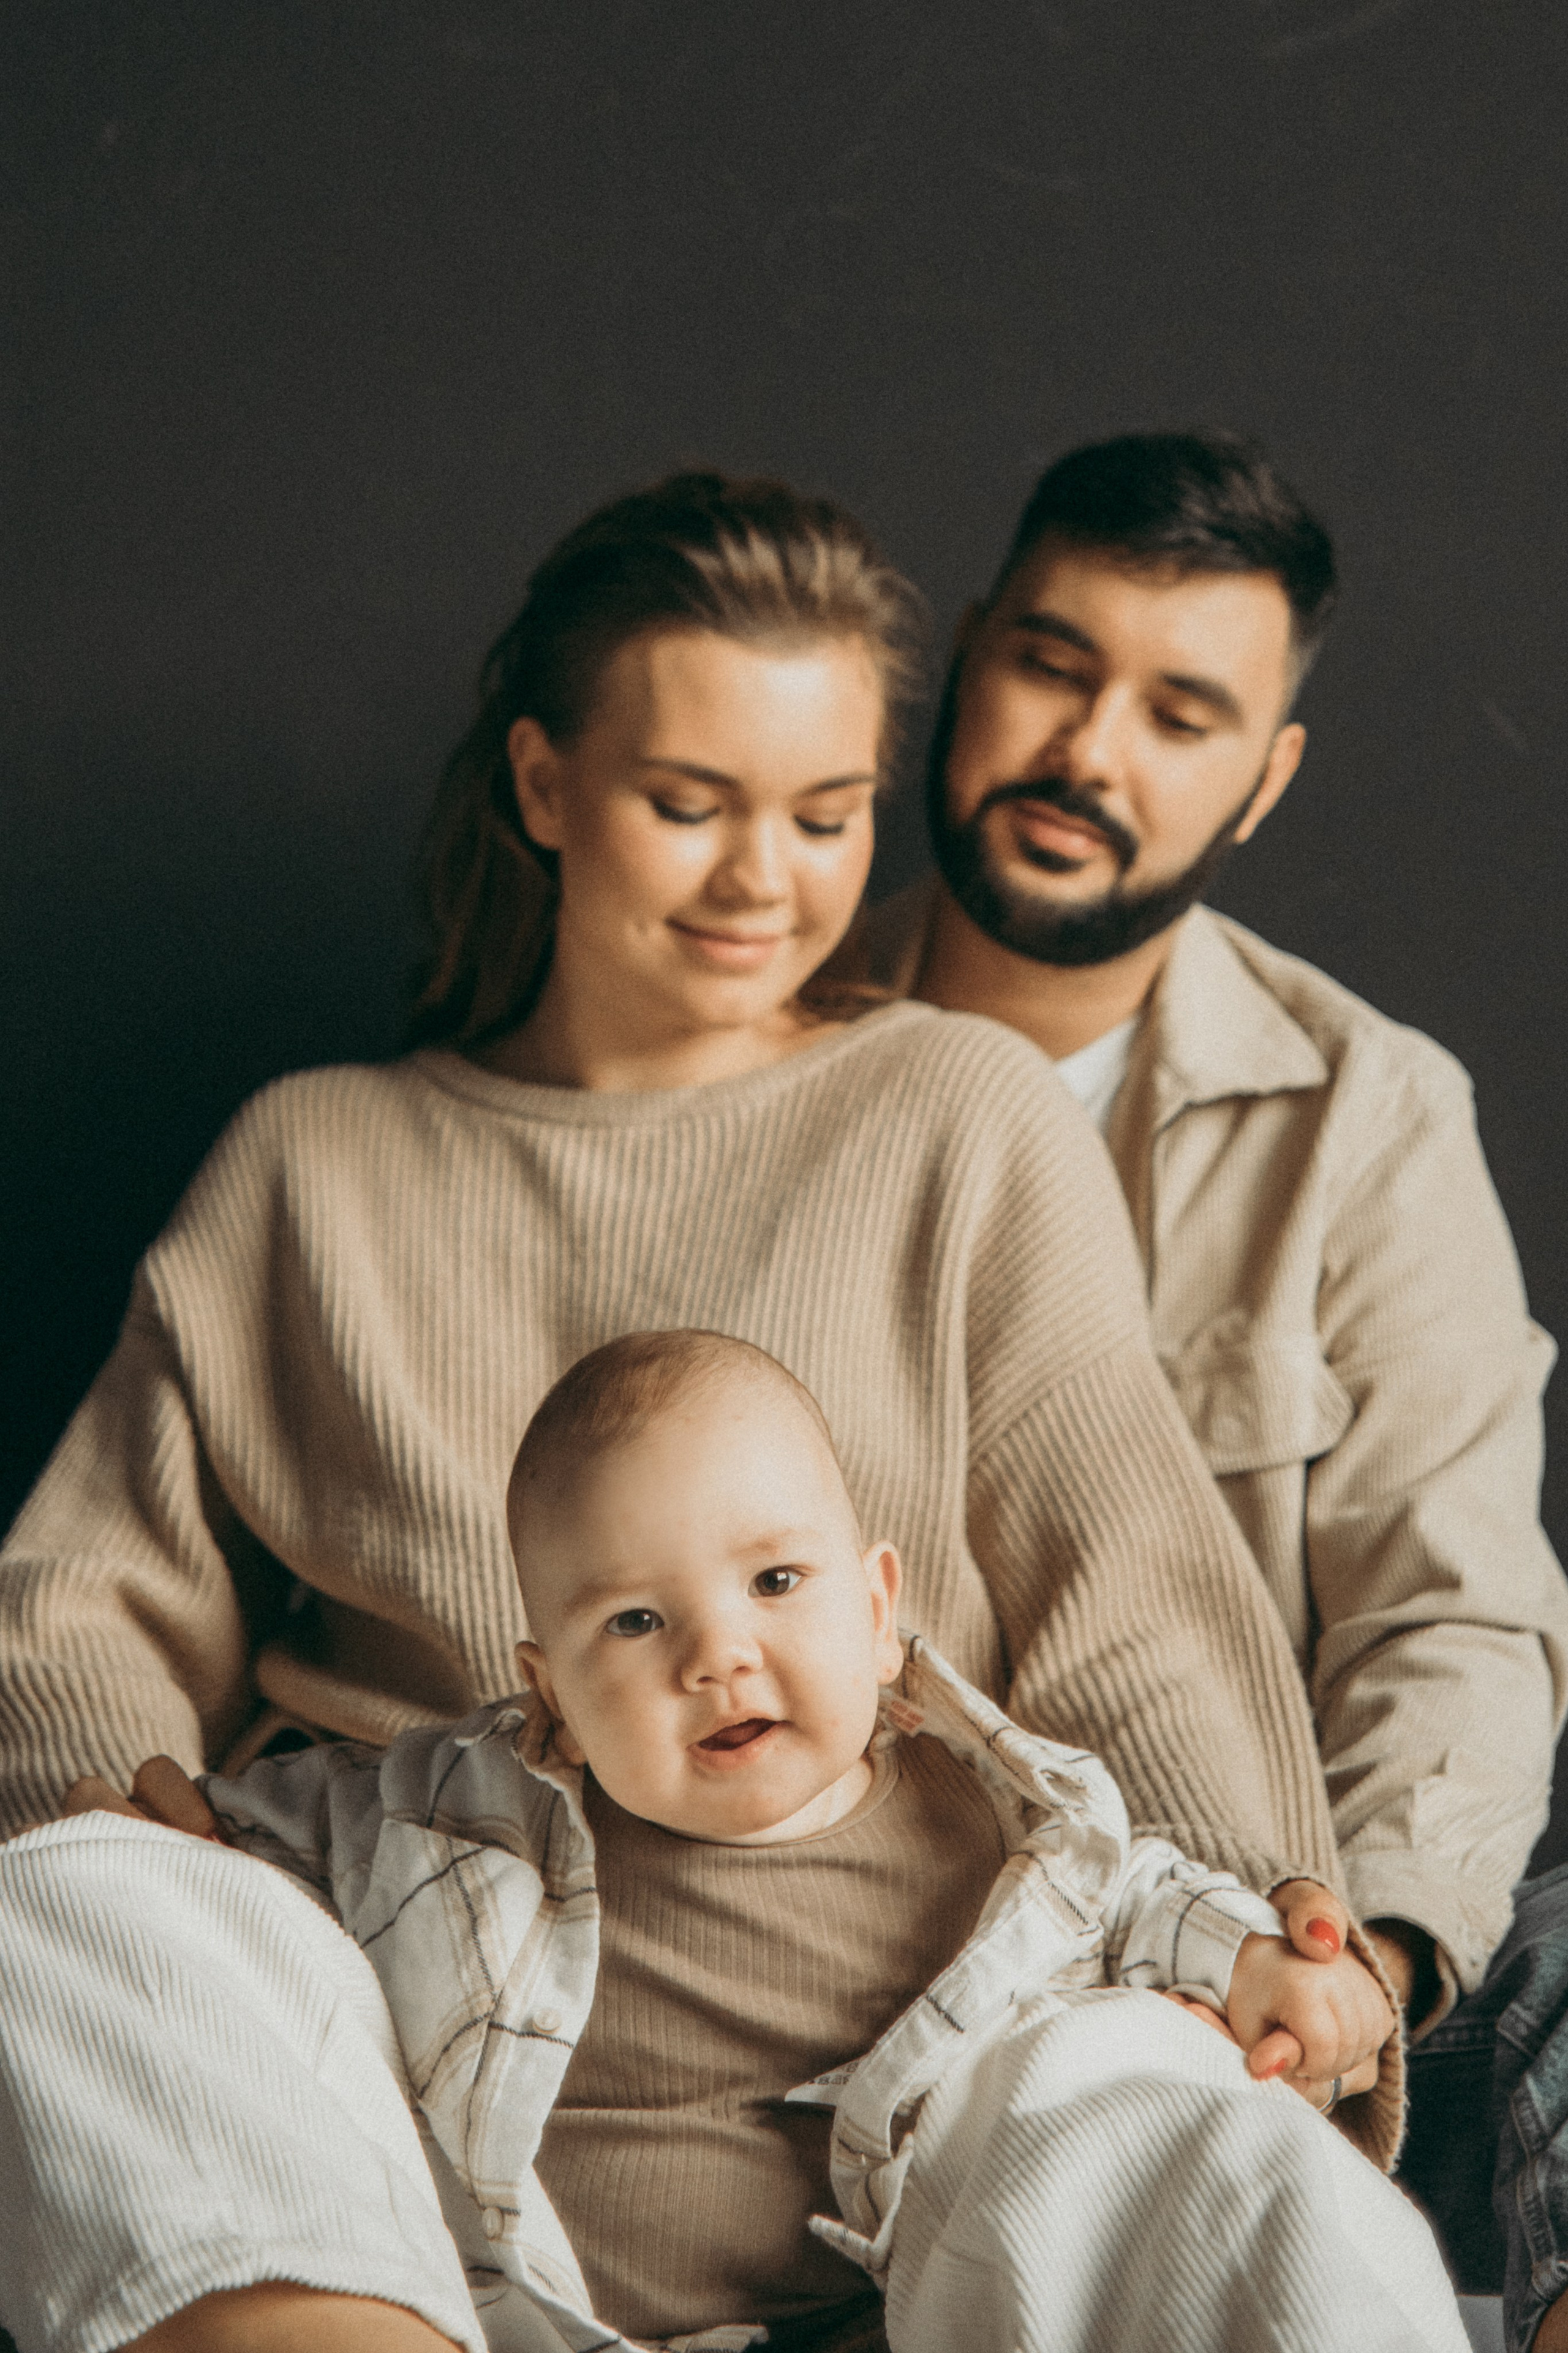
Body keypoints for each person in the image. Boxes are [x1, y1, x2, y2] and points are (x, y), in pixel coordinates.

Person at [0, 470, 1376, 2347]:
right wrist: (112, 1809)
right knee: (61, 1904)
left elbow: (1124, 1579)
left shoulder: (959, 1117)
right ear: (546, 783)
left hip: (917, 2031)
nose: (763, 882)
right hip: (409, 2010)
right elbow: (85, 1599)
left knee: (1160, 2091)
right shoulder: (313, 1164)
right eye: (688, 803)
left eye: (824, 815)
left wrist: (1270, 1917)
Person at [1, 1332, 1461, 2353]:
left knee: (1133, 2060)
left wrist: (1280, 1971)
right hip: (526, 2321)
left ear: (878, 1609)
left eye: (774, 1581)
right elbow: (229, 1885)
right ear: (551, 1695)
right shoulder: (448, 1810)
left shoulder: (1012, 1829)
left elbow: (1150, 1901)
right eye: (636, 1621)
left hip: (926, 2317)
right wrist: (156, 1852)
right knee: (69, 1887)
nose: (717, 1653)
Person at [840, 428, 1568, 2349]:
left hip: (1273, 1941)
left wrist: (1359, 1958)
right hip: (869, 1926)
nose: (1092, 752)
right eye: (1053, 667)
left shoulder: (1368, 1116)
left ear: (1266, 778)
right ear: (966, 660)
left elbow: (1451, 1612)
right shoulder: (748, 1038)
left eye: (1182, 715)